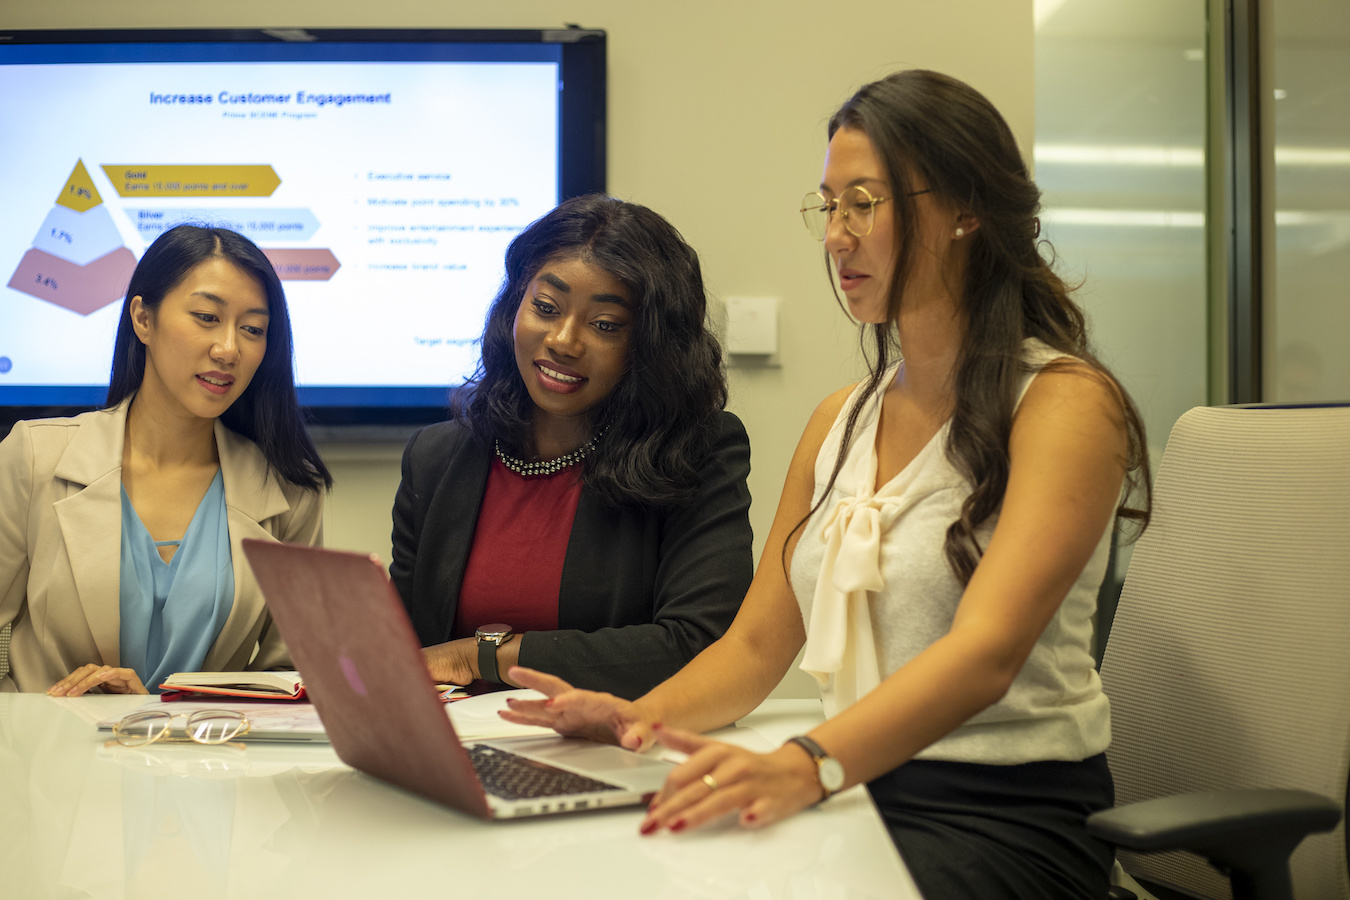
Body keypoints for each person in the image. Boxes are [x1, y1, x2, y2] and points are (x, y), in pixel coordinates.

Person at [499, 71, 1152, 899]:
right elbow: (755, 647)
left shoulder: (1064, 405)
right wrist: (637, 719)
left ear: (965, 210)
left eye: (864, 204)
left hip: (1001, 815)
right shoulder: (840, 418)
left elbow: (986, 656)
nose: (836, 237)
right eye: (828, 206)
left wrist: (806, 764)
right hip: (855, 785)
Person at [390, 194, 753, 701]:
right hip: (452, 753)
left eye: (605, 325)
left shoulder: (698, 452)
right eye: (545, 307)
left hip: (614, 751)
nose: (563, 340)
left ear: (649, 345)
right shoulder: (436, 457)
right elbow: (408, 651)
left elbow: (698, 645)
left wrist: (479, 656)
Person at [0, 225, 331, 695]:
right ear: (143, 319)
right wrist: (31, 723)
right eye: (205, 317)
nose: (228, 349)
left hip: (209, 759)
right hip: (47, 758)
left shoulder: (293, 492)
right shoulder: (33, 456)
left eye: (253, 329)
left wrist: (163, 717)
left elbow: (289, 685)